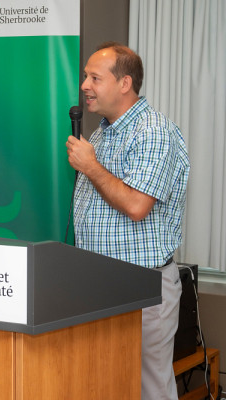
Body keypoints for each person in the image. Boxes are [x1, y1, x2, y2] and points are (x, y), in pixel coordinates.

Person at [66, 42, 189, 400]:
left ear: (125, 83)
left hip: (142, 285)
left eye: (94, 77)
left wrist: (90, 166)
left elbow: (137, 205)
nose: (84, 85)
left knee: (150, 388)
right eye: (84, 77)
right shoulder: (104, 131)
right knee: (107, 381)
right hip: (101, 284)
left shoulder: (153, 132)